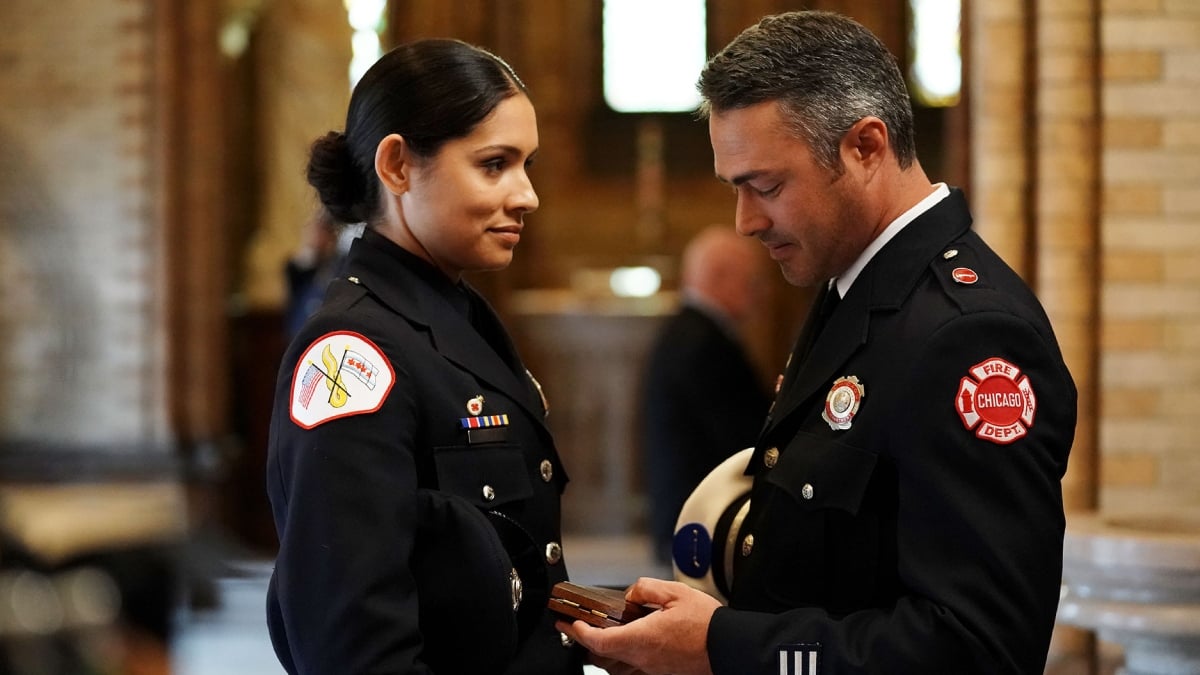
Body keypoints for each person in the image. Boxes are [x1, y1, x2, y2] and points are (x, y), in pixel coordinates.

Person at [559, 10, 1077, 674]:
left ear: (865, 147)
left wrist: (723, 646)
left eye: (766, 186)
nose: (745, 222)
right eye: (736, 189)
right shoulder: (854, 288)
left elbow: (978, 649)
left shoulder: (968, 336)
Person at [265, 39, 583, 674]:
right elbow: (354, 648)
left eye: (527, 165)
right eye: (494, 164)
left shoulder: (457, 317)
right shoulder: (353, 355)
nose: (527, 195)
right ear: (397, 165)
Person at [639, 226, 771, 565]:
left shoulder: (690, 331)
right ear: (720, 277)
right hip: (701, 526)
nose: (759, 295)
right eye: (751, 282)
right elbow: (740, 438)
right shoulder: (703, 344)